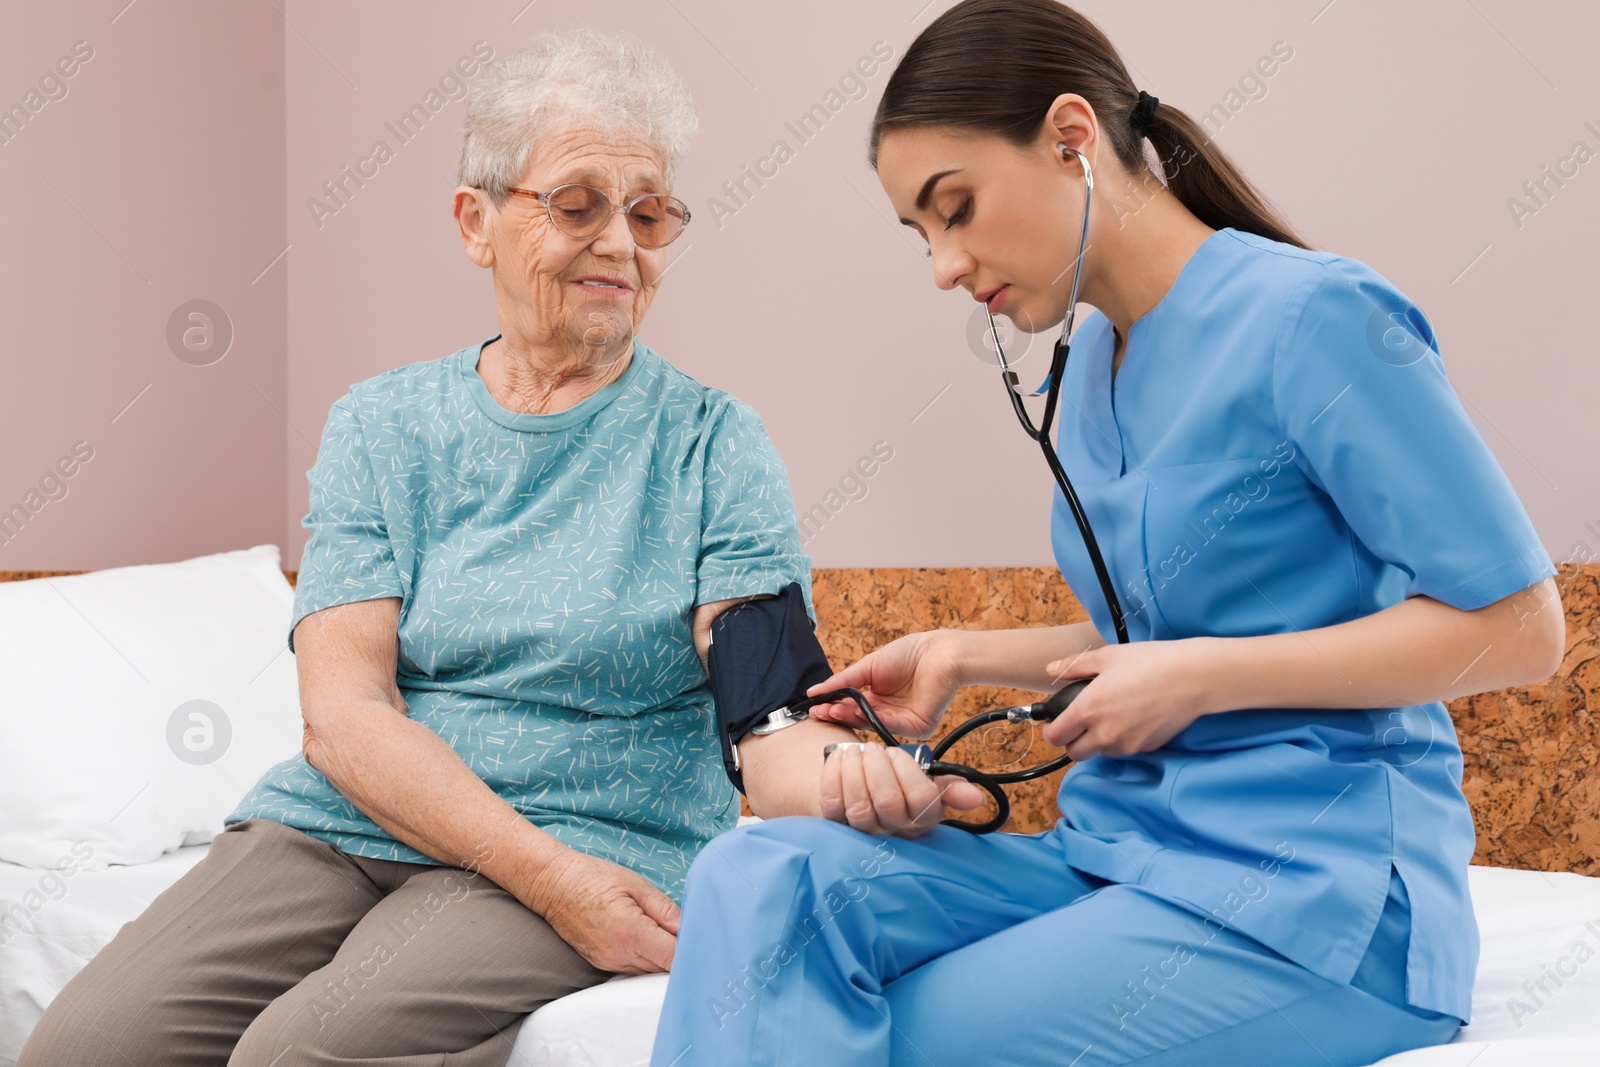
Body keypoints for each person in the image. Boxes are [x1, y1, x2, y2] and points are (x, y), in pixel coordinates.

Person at [649, 1, 1565, 1064]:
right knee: (758, 876)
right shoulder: (1083, 371)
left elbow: (1519, 625)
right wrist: (962, 652)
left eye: (956, 208)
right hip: (1117, 850)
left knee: (876, 1033)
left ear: (1073, 137)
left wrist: (1200, 680)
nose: (944, 267)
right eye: (920, 233)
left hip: (1314, 891)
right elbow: (1160, 626)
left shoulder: (1318, 321)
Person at [19, 29, 812, 1067]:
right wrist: (541, 875)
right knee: (81, 1045)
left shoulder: (714, 443)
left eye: (650, 212)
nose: (620, 241)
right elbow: (344, 719)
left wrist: (860, 780)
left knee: (293, 1052)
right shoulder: (382, 425)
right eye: (578, 205)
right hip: (351, 821)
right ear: (475, 222)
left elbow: (773, 707)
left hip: (598, 831)